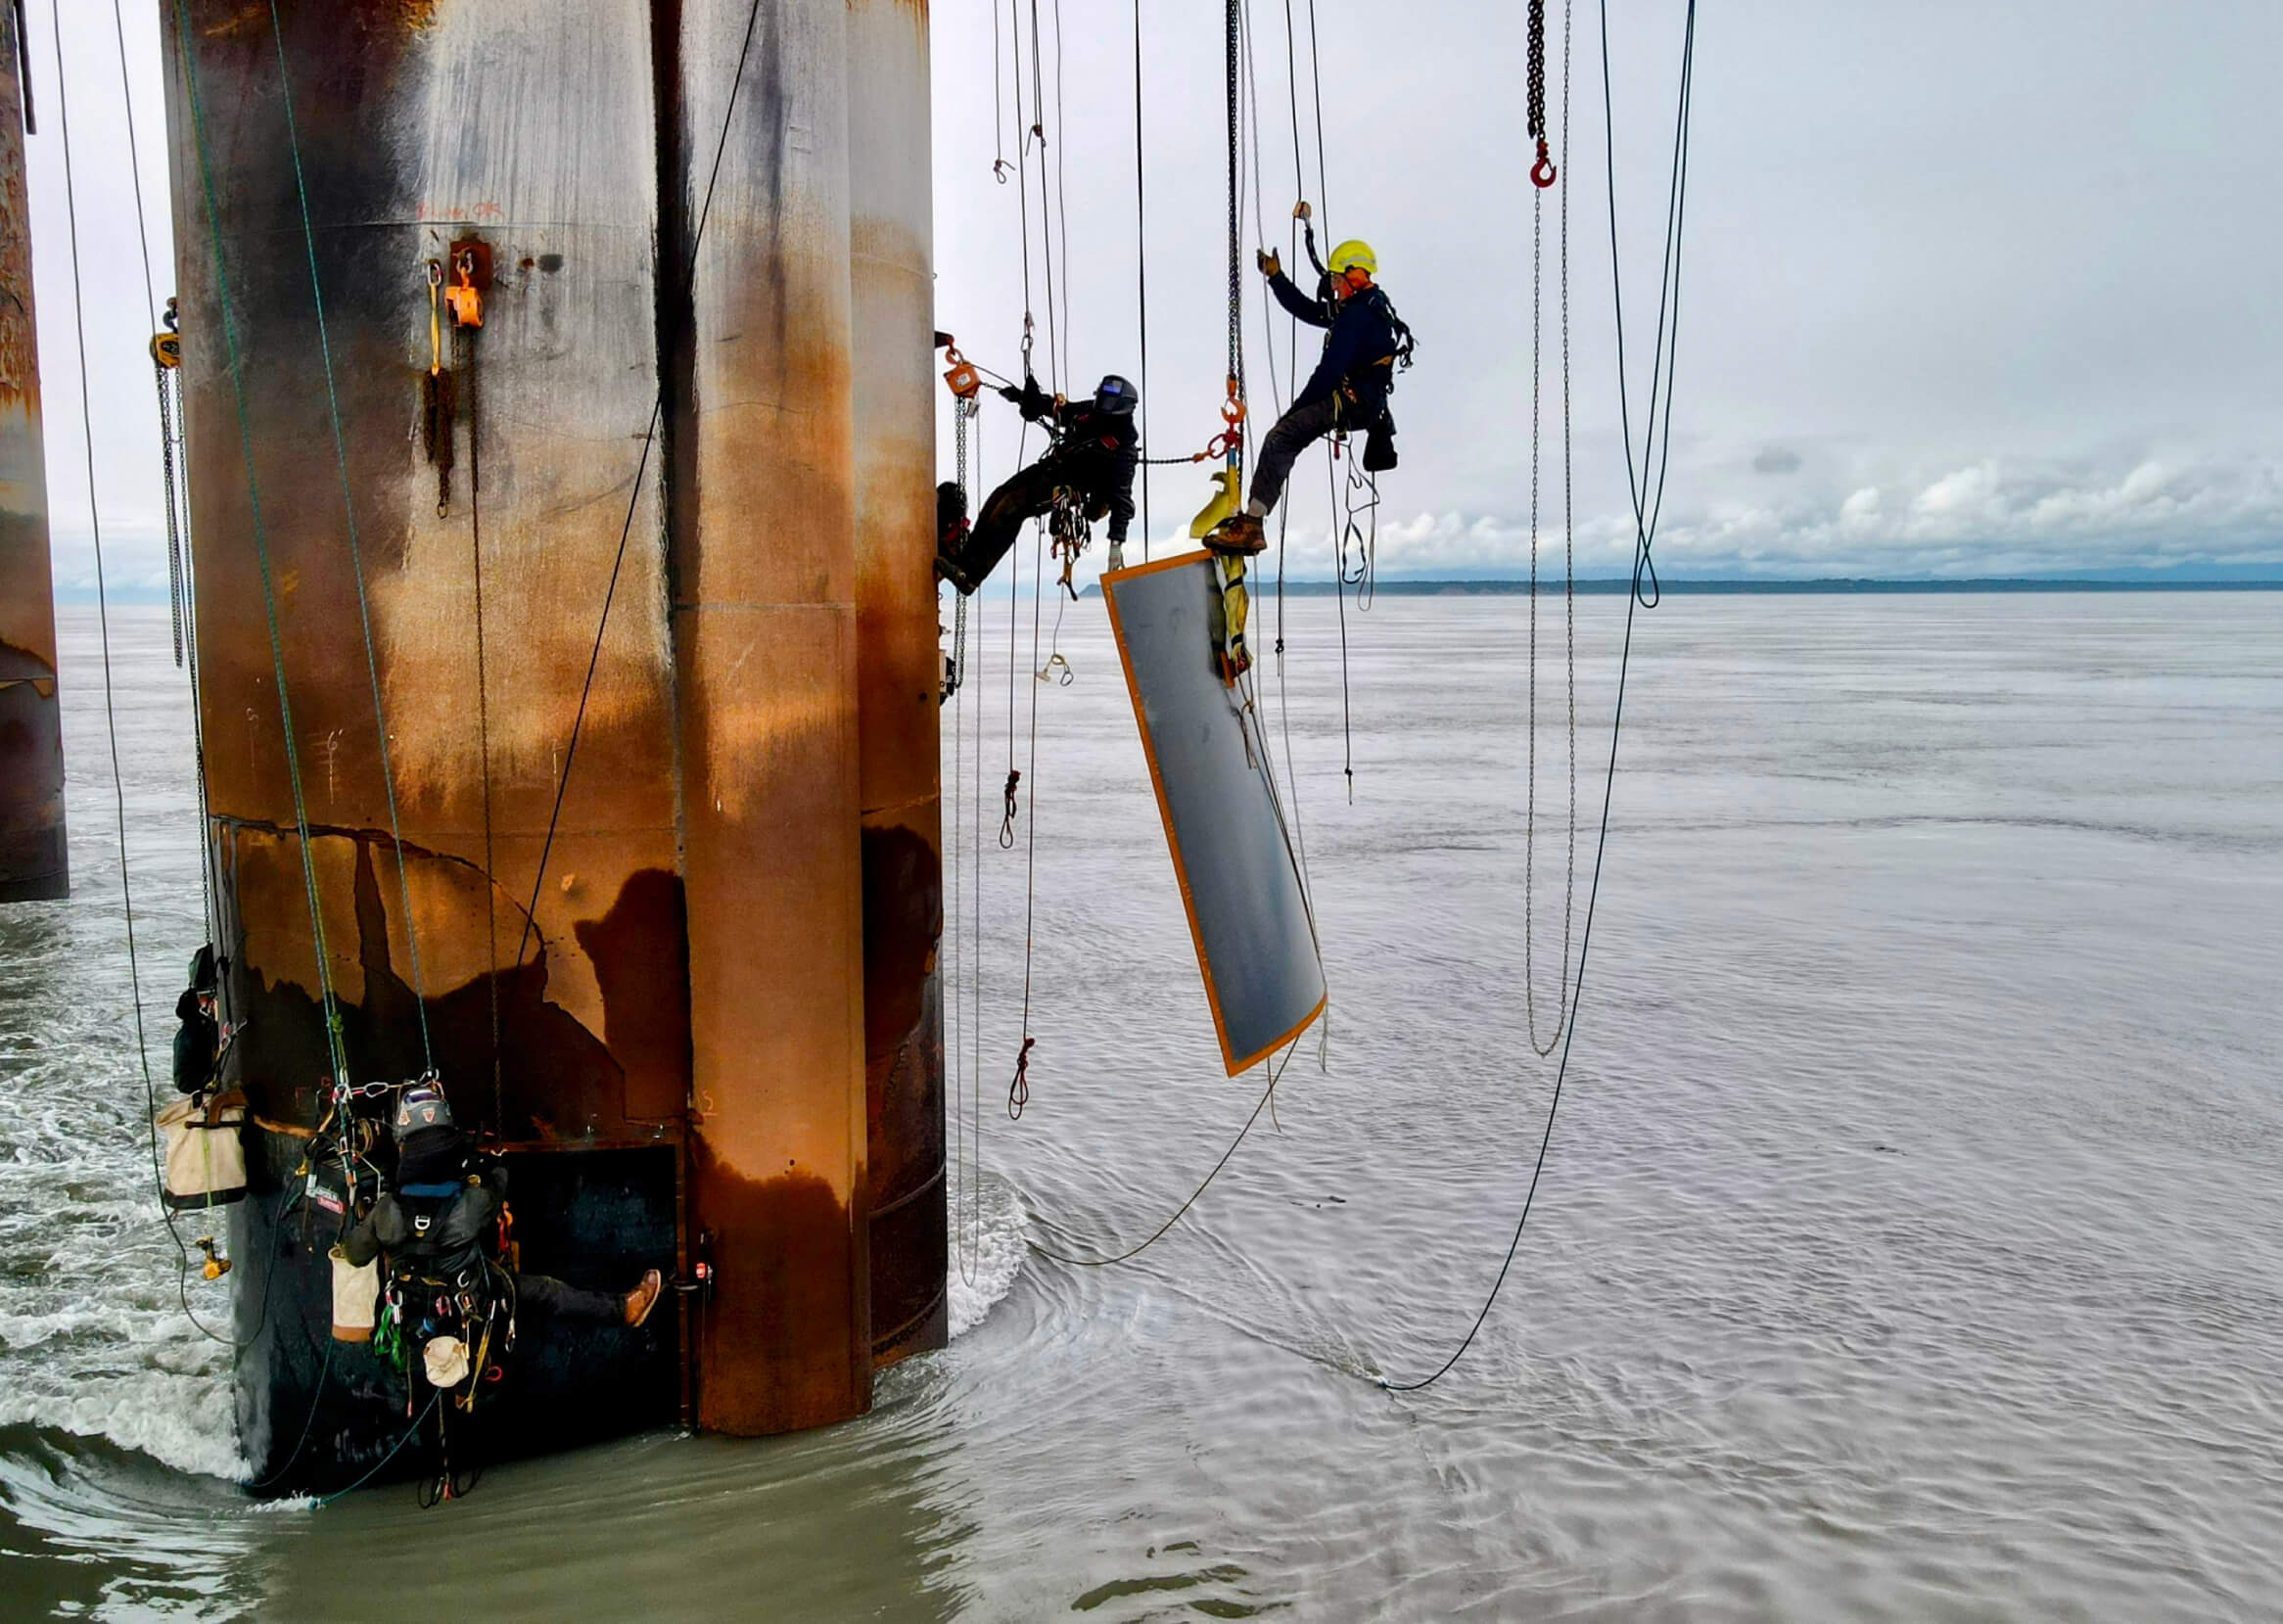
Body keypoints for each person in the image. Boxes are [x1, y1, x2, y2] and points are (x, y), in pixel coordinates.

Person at [341, 1084, 662, 1331]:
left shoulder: (386, 1211)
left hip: (409, 1308)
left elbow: (355, 1255)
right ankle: (624, 1310)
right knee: (547, 1291)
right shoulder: (472, 1202)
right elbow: (499, 1179)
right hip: (470, 1300)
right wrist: (487, 1163)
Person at [1206, 238, 1409, 556]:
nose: (1335, 288)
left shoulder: (1357, 315)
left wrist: (1292, 413)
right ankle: (1252, 523)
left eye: (1338, 281)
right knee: (1284, 435)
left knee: (1281, 437)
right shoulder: (1370, 305)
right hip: (1366, 404)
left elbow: (1328, 372)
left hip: (1353, 402)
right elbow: (1309, 310)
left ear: (1353, 276)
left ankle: (1252, 526)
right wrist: (1276, 277)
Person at [936, 372, 1141, 594]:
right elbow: (1061, 411)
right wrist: (1022, 397)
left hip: (1069, 487)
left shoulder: (1124, 450)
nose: (1099, 416)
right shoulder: (1091, 411)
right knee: (1000, 497)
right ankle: (965, 562)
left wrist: (1116, 545)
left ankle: (971, 576)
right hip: (1053, 468)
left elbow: (1122, 502)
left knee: (1011, 508)